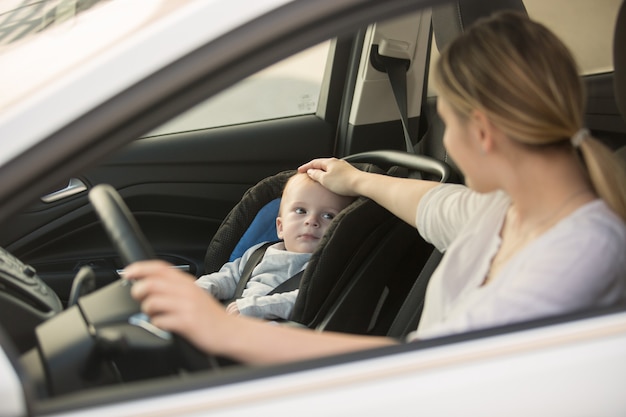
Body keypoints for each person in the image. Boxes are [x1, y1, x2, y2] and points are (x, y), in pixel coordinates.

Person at [125, 11, 626, 365]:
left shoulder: (579, 253)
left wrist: (224, 329)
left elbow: (433, 373)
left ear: (483, 132)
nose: (446, 143)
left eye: (447, 125)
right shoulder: (503, 209)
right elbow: (431, 204)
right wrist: (355, 179)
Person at [195, 172, 354, 320]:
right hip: (235, 321)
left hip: (279, 333)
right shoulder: (258, 253)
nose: (311, 221)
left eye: (328, 215)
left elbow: (305, 300)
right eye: (301, 210)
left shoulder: (329, 268)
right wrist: (203, 288)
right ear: (281, 227)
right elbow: (228, 277)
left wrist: (256, 308)